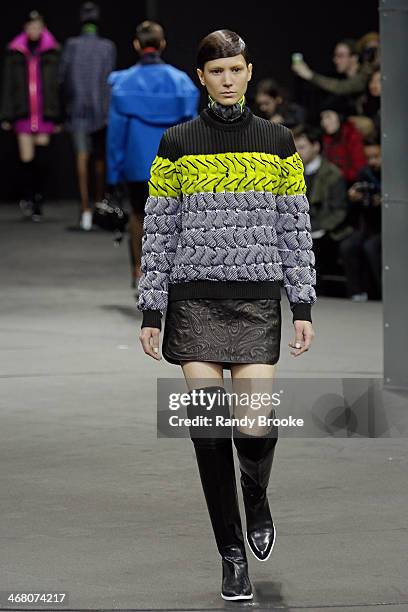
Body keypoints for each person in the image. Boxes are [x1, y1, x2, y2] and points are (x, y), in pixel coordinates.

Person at [137, 30, 316, 601]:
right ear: (202, 77)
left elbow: (294, 229)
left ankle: (256, 493)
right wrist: (152, 308)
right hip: (193, 304)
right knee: (208, 432)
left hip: (257, 301)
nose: (228, 79)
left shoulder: (277, 141)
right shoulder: (176, 142)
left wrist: (302, 303)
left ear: (248, 70)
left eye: (236, 69)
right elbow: (159, 232)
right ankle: (231, 555)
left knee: (256, 429)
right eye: (218, 71)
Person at [106, 20, 199, 290]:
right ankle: (168, 275)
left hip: (137, 165)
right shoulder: (182, 82)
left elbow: (116, 134)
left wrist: (113, 174)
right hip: (174, 163)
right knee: (174, 218)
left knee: (138, 215)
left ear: (136, 45)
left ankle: (139, 271)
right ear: (162, 45)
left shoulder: (123, 84)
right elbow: (190, 130)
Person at [58, 1, 116, 230]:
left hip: (78, 109)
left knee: (82, 157)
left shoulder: (71, 45)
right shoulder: (108, 47)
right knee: (99, 159)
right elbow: (109, 80)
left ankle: (85, 212)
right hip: (102, 110)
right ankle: (100, 206)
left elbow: (62, 78)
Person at [0, 10, 61, 222]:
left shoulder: (53, 51)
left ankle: (38, 199)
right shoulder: (15, 51)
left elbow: (57, 85)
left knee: (42, 160)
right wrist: (6, 114)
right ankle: (28, 198)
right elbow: (8, 83)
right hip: (24, 113)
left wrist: (58, 116)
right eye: (31, 26)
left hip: (45, 113)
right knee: (27, 160)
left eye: (38, 26)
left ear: (43, 27)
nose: (34, 30)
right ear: (25, 29)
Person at [292, 124, 348, 293]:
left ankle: (314, 290)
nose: (297, 152)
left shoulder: (332, 174)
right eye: (295, 148)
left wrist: (316, 227)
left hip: (325, 228)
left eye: (302, 147)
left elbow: (339, 211)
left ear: (316, 147)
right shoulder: (293, 171)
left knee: (313, 244)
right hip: (298, 225)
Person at [339, 138, 382, 301]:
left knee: (371, 247)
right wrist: (354, 198)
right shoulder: (365, 173)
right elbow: (357, 205)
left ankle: (381, 292)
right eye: (369, 157)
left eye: (376, 156)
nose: (373, 161)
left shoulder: (394, 173)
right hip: (368, 224)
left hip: (389, 228)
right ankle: (356, 292)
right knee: (348, 246)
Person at [291, 38, 377, 107]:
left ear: (354, 58)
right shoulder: (341, 77)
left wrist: (309, 75)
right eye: (335, 55)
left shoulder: (366, 75)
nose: (336, 60)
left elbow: (341, 87)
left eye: (340, 56)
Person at [320, 96, 366, 185]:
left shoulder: (352, 136)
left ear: (339, 116)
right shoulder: (326, 139)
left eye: (328, 117)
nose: (324, 122)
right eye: (322, 119)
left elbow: (359, 169)